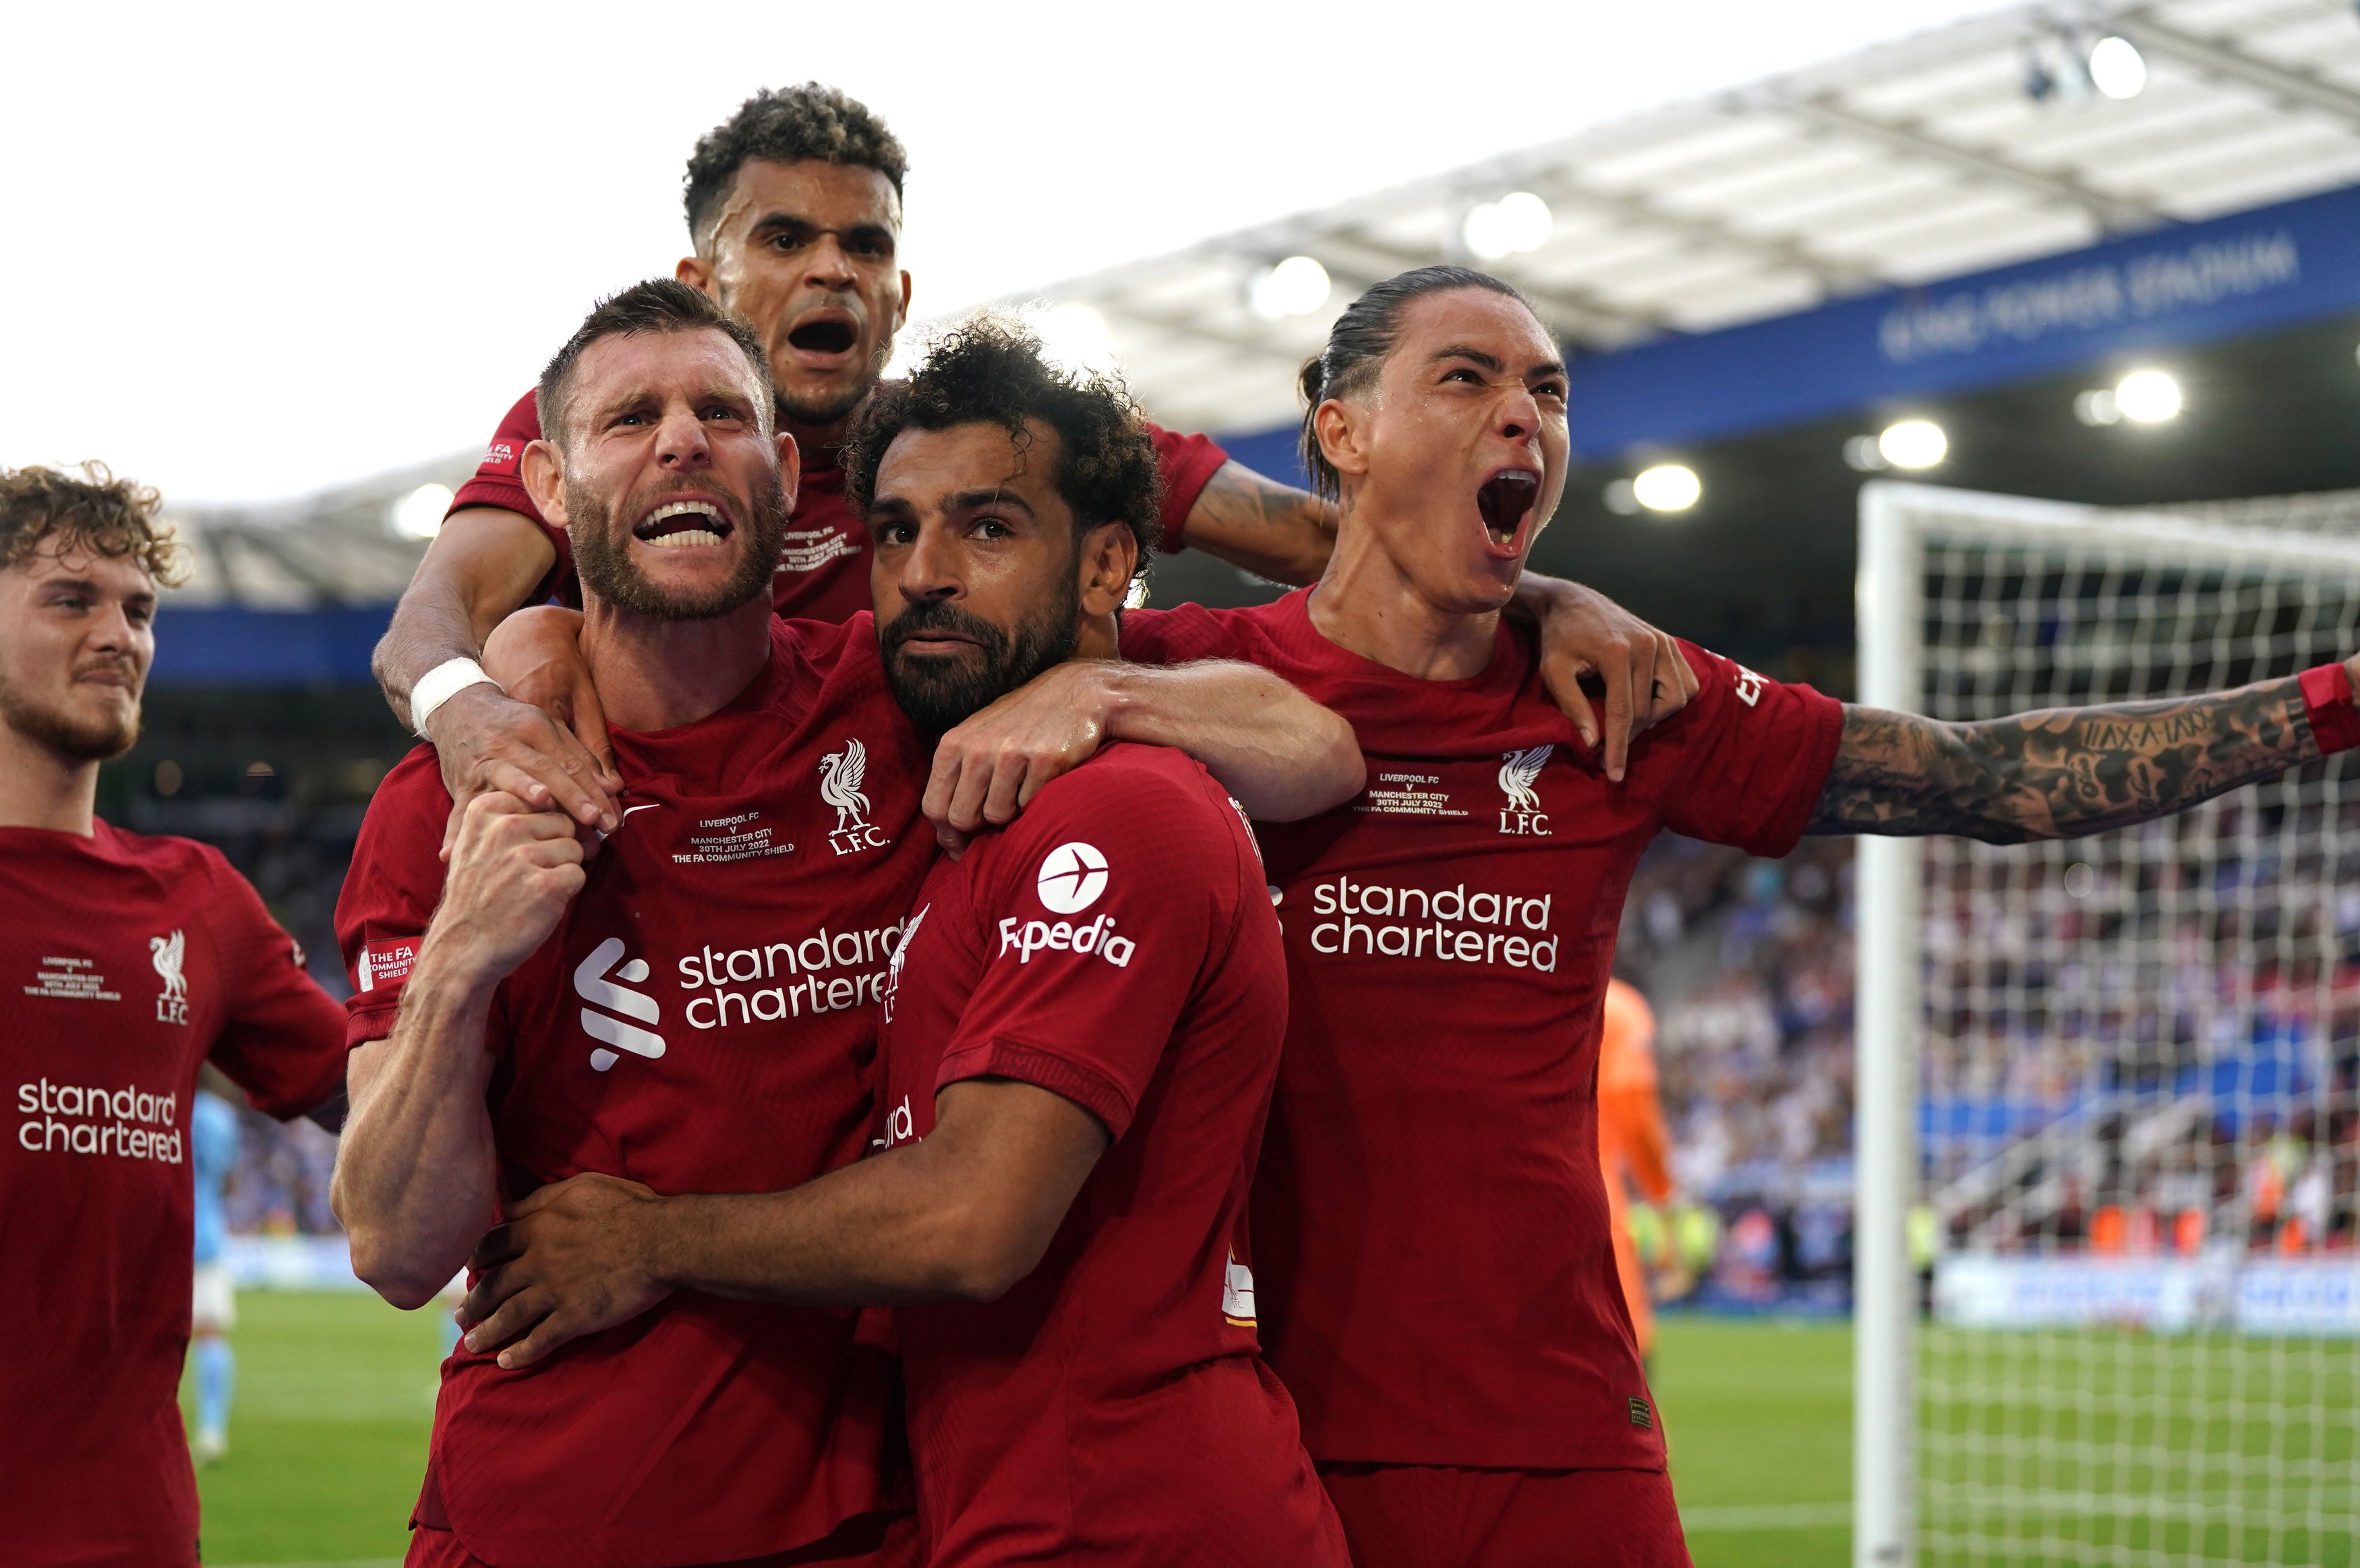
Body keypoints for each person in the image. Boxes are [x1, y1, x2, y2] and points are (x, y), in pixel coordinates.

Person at [921, 264, 2360, 1567]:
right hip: (1252, 1427)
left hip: (1552, 1432)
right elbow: (1013, 464)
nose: (1522, 417)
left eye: (1547, 391)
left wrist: (2330, 702)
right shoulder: (1168, 683)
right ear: (1340, 429)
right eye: (1467, 377)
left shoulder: (1616, 700)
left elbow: (1979, 777)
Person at [331, 282, 1359, 1568]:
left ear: (782, 470)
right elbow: (393, 1246)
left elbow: (1315, 739)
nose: (682, 441)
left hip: (874, 1522)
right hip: (548, 1515)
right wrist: (461, 963)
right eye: (629, 417)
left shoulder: (912, 683)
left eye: (723, 411)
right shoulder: (452, 801)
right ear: (547, 481)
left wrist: (1102, 685)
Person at [381, 84, 1688, 841]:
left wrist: (1542, 595)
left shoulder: (983, 441)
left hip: (935, 839)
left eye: (864, 244)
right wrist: (474, 707)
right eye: (784, 238)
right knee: (529, 646)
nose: (831, 267)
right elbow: (430, 623)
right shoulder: (620, 435)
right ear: (701, 279)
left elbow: (1321, 542)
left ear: (900, 291)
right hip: (701, 854)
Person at [0, 464, 351, 1568]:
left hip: (133, 1532)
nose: (119, 634)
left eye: (139, 609)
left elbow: (386, 1095)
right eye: (71, 599)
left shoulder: (199, 901)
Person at [1597, 977, 1675, 1367]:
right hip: (1590, 1198)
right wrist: (1663, 1194)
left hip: (1493, 1208)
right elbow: (1637, 1117)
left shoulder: (1490, 994)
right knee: (1625, 1358)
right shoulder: (1618, 1007)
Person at [189, 1077, 243, 1464]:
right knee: (211, 1333)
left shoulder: (149, 1104)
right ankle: (211, 1430)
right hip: (204, 1234)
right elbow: (228, 1177)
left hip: (152, 1234)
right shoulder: (218, 1116)